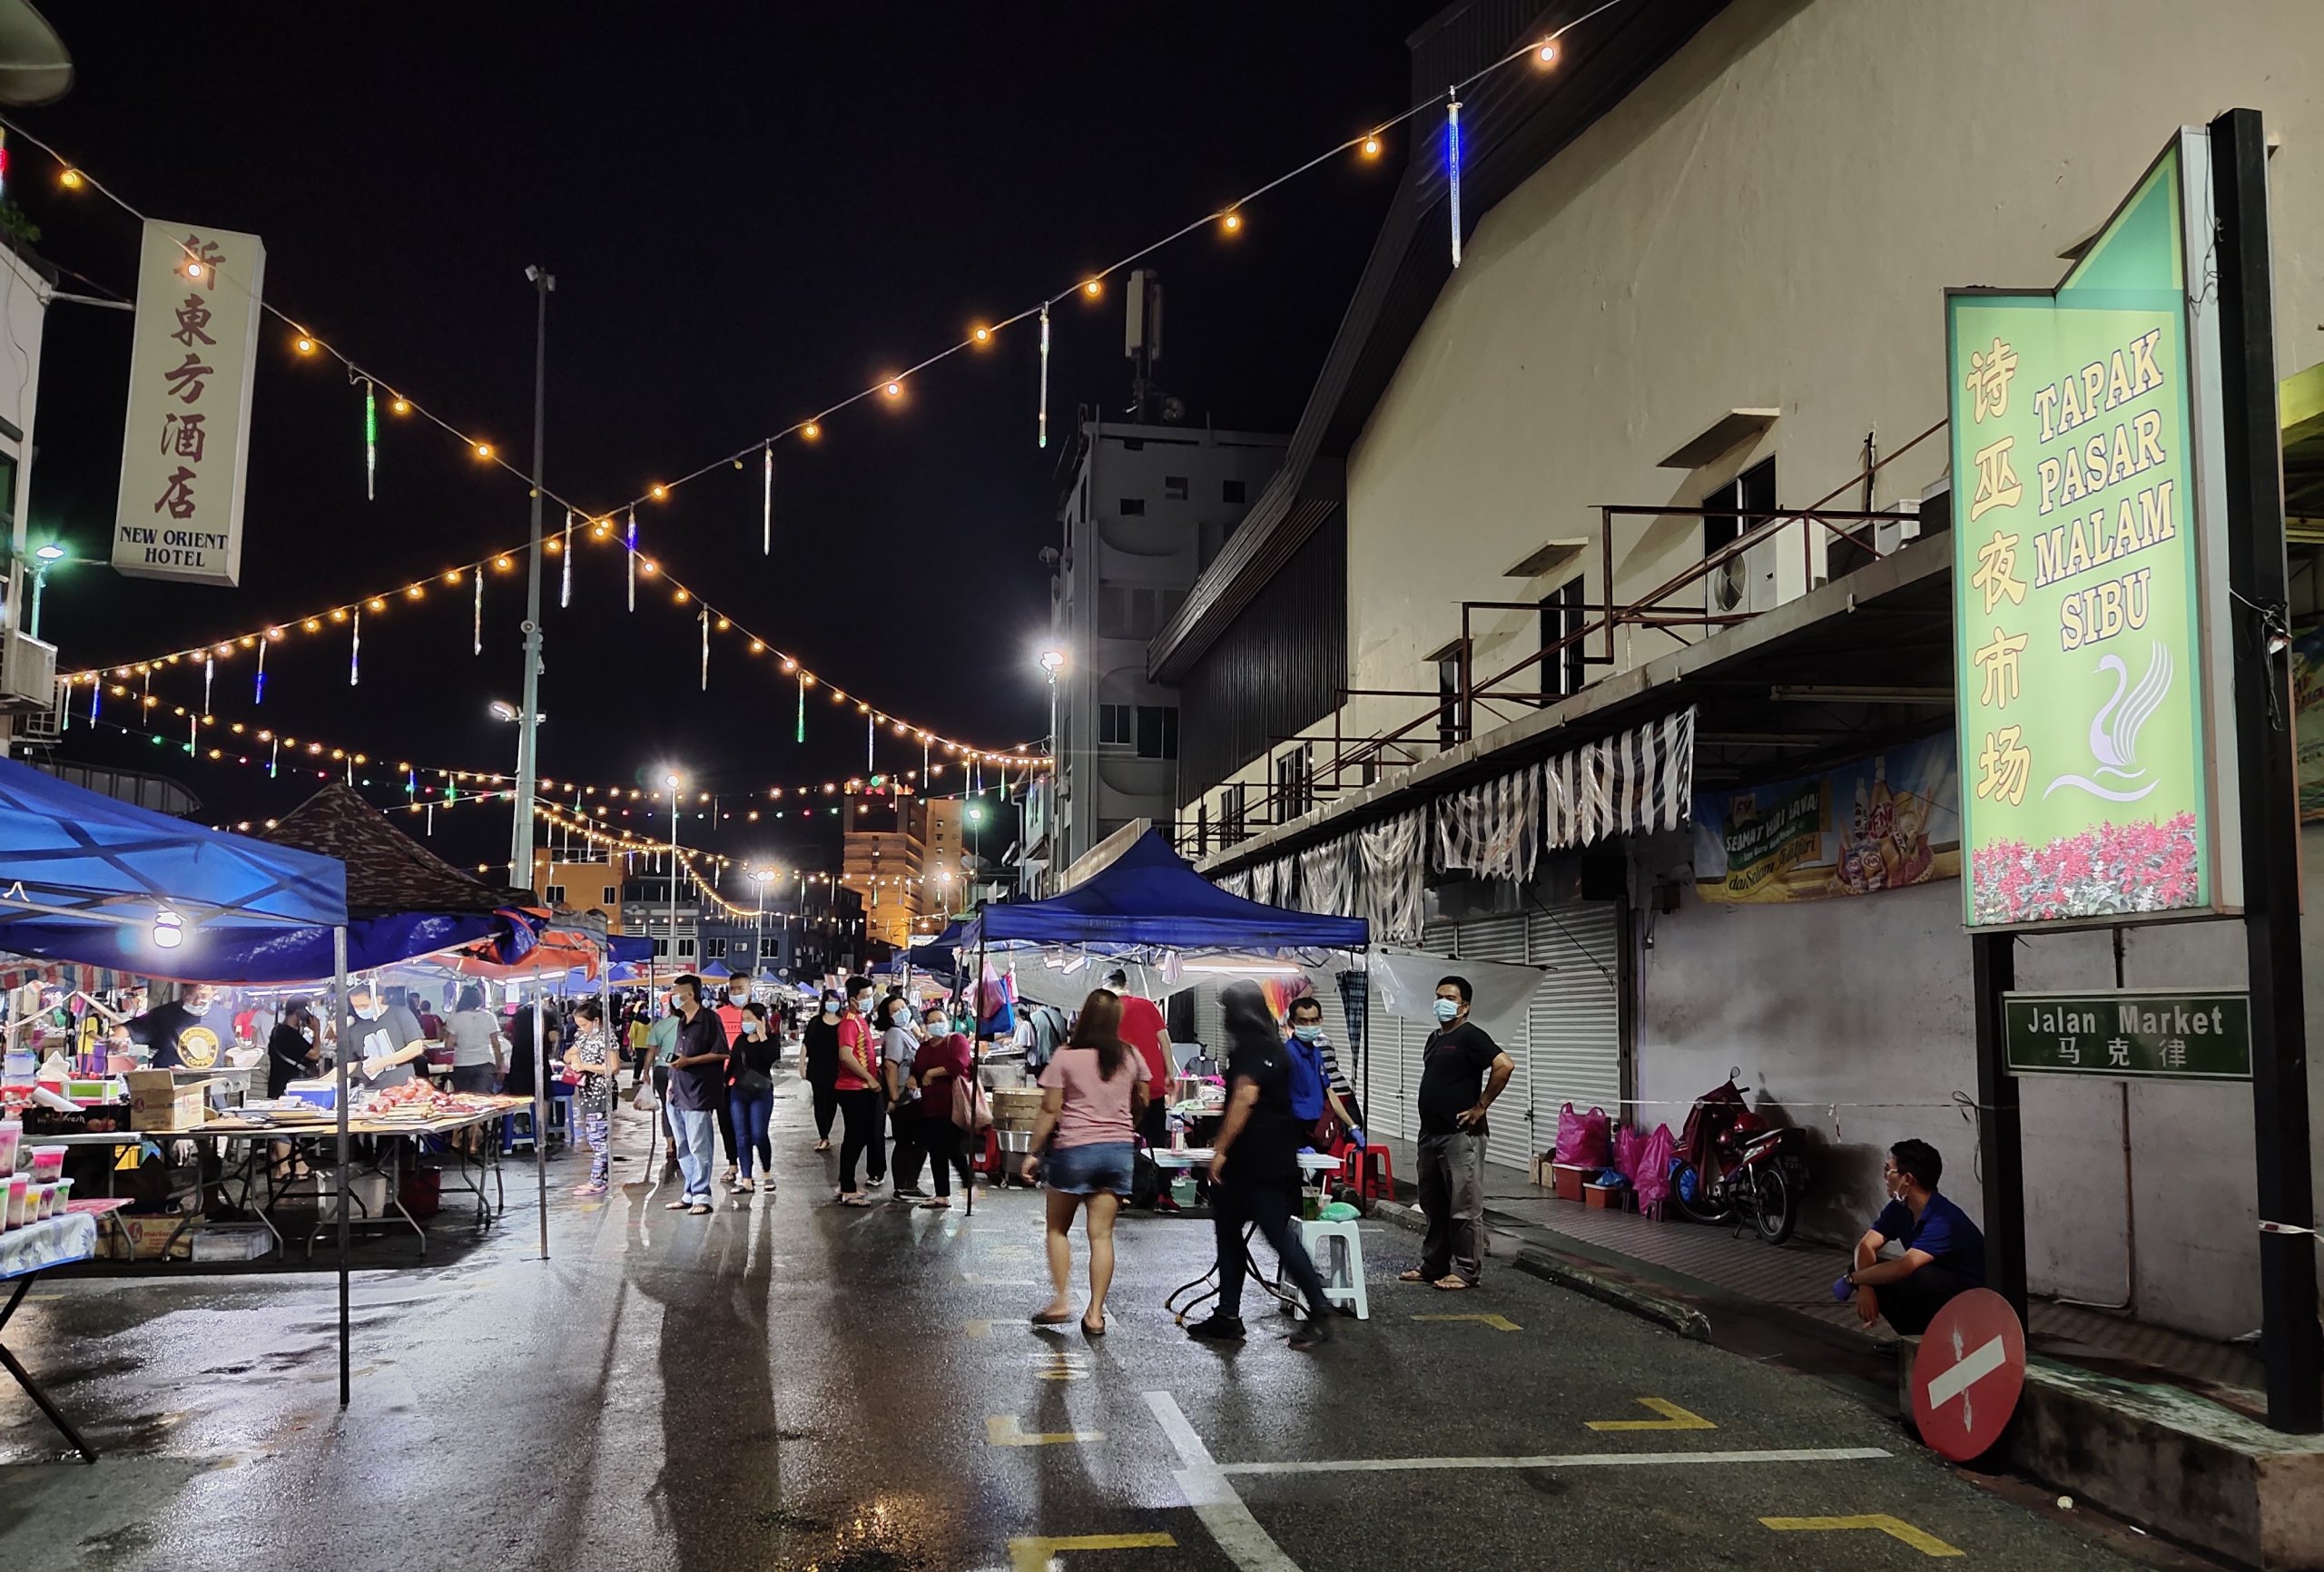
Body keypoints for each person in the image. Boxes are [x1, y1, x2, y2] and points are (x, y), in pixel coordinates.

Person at [1187, 981, 1336, 1351]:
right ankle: (1227, 1315)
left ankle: (1318, 1308)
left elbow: (1245, 1097)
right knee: (1233, 1234)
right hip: (1272, 1156)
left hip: (1255, 1160)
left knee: (1274, 1236)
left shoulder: (1252, 1048)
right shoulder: (1274, 1046)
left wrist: (1220, 1149)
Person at [1020, 988, 1147, 1334]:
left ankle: (1061, 1300)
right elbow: (1143, 1101)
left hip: (1074, 1151)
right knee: (1101, 1236)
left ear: (1083, 1017)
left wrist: (1032, 1152)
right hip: (1118, 1152)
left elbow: (1050, 1109)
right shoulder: (1131, 1056)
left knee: (1057, 1228)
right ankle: (1095, 1313)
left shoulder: (1066, 1056)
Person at [1400, 975, 1511, 1292]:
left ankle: (1466, 1271)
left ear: (1465, 1007)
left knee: (1463, 1207)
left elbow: (1504, 1065)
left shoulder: (1471, 1036)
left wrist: (1481, 1106)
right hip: (1430, 1134)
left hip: (1460, 1136)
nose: (1442, 1003)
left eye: (1449, 998)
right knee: (1433, 1205)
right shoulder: (1435, 1037)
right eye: (1439, 996)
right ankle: (1433, 1266)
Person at [1845, 1139, 1987, 1334]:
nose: (1884, 1176)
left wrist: (1852, 1280)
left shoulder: (1944, 1219)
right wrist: (1864, 1284)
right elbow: (1866, 1246)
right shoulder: (1899, 1208)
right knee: (1865, 1268)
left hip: (1974, 1303)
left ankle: (1943, 1344)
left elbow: (1904, 1266)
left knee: (1921, 1276)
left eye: (1888, 1170)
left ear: (1908, 1179)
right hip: (1935, 1288)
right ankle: (1912, 1341)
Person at [662, 975, 729, 1216]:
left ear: (690, 994)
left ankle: (703, 1195)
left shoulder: (710, 1019)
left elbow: (722, 1053)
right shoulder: (681, 1021)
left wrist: (690, 1061)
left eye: (677, 992)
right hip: (677, 1090)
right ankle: (689, 1192)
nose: (673, 996)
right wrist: (671, 1081)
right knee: (683, 1146)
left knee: (700, 1145)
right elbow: (678, 1053)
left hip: (699, 1091)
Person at [911, 1002, 975, 1209]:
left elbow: (959, 1064)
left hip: (953, 1105)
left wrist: (932, 1073)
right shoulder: (923, 1048)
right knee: (935, 1150)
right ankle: (941, 1195)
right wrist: (914, 1078)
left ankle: (968, 1183)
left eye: (940, 1021)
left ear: (948, 1022)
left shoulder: (957, 1040)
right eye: (932, 1022)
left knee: (952, 1148)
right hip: (929, 1106)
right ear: (925, 1026)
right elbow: (917, 1069)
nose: (936, 1024)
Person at [832, 977, 886, 1204]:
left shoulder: (860, 1020)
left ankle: (846, 1184)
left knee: (858, 1136)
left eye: (870, 995)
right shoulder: (849, 1023)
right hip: (854, 1088)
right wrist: (869, 1079)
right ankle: (847, 1188)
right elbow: (846, 1056)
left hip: (860, 1087)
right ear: (853, 999)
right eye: (864, 997)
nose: (868, 1000)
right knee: (856, 1137)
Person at [1106, 968, 1173, 1148]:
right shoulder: (1147, 1005)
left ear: (1105, 987)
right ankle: (1158, 1176)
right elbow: (1165, 1041)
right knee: (1156, 1144)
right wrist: (1169, 1073)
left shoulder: (1106, 1011)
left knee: (1122, 1143)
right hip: (1152, 1084)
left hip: (1119, 1087)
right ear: (1126, 985)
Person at [563, 998, 616, 1197]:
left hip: (601, 1093)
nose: (582, 1029)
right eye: (579, 1026)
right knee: (595, 1137)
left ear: (595, 1021)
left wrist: (585, 1066)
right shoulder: (583, 1037)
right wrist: (576, 1059)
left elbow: (613, 1067)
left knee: (598, 1139)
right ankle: (601, 1178)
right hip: (586, 1092)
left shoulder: (607, 1038)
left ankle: (596, 1180)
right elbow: (568, 1056)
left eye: (584, 1025)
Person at [728, 1001, 780, 1195]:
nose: (745, 1023)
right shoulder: (740, 1041)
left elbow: (770, 1059)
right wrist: (725, 1085)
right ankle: (746, 1178)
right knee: (742, 1136)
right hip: (739, 1092)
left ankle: (767, 1174)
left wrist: (763, 1035)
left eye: (749, 1019)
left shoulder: (771, 1040)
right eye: (743, 1019)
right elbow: (733, 1065)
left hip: (762, 1092)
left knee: (759, 1134)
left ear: (761, 1019)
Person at [113, 983, 227, 1069]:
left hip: (212, 1092)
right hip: (172, 1088)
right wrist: (117, 1039)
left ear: (214, 991)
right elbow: (127, 1028)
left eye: (203, 996)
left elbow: (229, 1049)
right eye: (191, 995)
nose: (197, 1001)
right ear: (184, 991)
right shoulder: (162, 1014)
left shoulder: (222, 1015)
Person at [880, 995, 928, 1199]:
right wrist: (893, 1096)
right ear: (889, 1017)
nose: (902, 1011)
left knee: (911, 1142)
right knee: (910, 1142)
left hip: (911, 1096)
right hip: (903, 1097)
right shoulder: (894, 1034)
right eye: (895, 1010)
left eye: (903, 1006)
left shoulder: (905, 1032)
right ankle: (904, 1186)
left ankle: (907, 1185)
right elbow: (891, 1065)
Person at [710, 976, 755, 1185]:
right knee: (726, 1123)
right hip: (722, 1080)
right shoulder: (718, 1015)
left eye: (740, 988)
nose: (736, 993)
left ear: (749, 989)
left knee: (748, 1127)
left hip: (750, 1080)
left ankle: (749, 1167)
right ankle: (732, 1164)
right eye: (733, 989)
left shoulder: (756, 1014)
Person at [344, 979, 429, 1090]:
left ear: (378, 999)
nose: (360, 1010)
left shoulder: (401, 1014)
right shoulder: (355, 1027)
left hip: (403, 1089)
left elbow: (416, 1048)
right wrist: (322, 1081)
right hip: (369, 1091)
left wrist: (383, 1062)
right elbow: (351, 1064)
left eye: (364, 1006)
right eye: (356, 1007)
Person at [801, 988, 843, 1151]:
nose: (832, 1003)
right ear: (824, 1002)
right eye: (829, 1000)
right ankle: (823, 1136)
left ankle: (826, 1133)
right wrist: (801, 1064)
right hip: (817, 1068)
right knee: (819, 1102)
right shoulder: (815, 1022)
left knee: (832, 1103)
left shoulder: (843, 1022)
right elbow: (806, 1044)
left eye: (835, 1000)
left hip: (837, 1069)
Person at [443, 986, 507, 1095]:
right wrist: (499, 1066)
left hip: (462, 1064)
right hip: (485, 1063)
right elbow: (496, 1044)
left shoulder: (455, 1018)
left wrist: (461, 1042)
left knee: (464, 1102)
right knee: (483, 1101)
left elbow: (448, 1045)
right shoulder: (489, 1017)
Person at [503, 997, 561, 1099]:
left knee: (520, 1099)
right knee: (542, 1097)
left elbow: (511, 1034)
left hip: (518, 1061)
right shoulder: (547, 1013)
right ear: (546, 999)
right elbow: (553, 1036)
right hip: (539, 1061)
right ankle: (542, 1115)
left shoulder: (519, 1012)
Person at [264, 998, 321, 1098]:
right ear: (299, 1012)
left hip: (279, 1086)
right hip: (288, 1088)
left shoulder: (278, 1030)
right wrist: (316, 1031)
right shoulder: (288, 1034)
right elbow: (315, 1054)